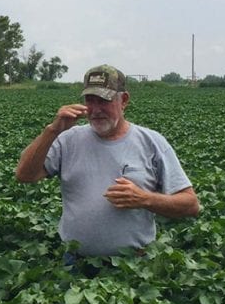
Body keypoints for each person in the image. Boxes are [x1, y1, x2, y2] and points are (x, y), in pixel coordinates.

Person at [15, 64, 199, 260]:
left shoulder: (151, 142)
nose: (95, 110)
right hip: (75, 263)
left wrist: (144, 199)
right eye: (90, 101)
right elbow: (25, 175)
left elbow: (191, 205)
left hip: (134, 266)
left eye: (104, 101)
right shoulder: (67, 139)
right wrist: (53, 130)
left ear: (124, 100)